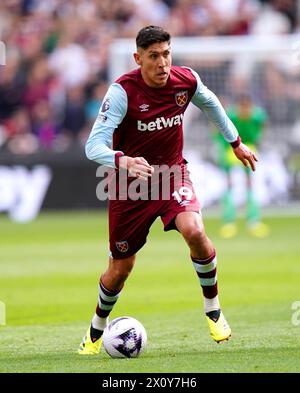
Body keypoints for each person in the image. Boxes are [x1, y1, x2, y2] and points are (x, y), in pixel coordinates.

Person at [78, 26, 258, 355]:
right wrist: (123, 160)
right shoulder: (122, 92)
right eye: (153, 56)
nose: (162, 63)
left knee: (195, 230)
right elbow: (93, 146)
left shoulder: (185, 80)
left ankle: (213, 310)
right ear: (138, 58)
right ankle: (95, 330)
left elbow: (213, 105)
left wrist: (236, 142)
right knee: (120, 270)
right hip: (128, 187)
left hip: (172, 175)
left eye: (166, 54)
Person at [212, 94, 269, 239]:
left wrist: (257, 139)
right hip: (231, 149)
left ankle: (253, 220)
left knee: (250, 183)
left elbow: (262, 126)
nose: (245, 110)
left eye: (247, 107)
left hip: (248, 147)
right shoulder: (230, 115)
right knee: (229, 183)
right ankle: (229, 220)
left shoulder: (258, 116)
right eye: (242, 107)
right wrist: (222, 147)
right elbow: (217, 128)